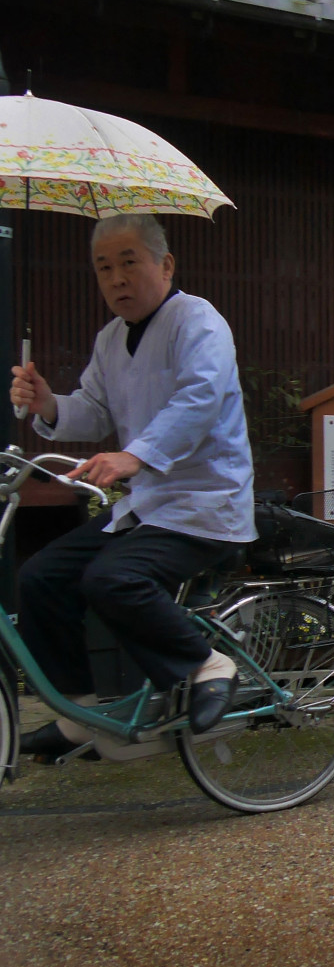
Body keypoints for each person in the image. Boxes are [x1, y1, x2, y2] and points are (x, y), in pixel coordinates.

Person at [9, 213, 255, 758]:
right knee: (41, 577)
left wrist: (134, 455)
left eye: (128, 262)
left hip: (205, 503)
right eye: (104, 268)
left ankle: (205, 663)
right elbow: (93, 411)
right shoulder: (110, 339)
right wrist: (48, 403)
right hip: (148, 506)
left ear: (165, 265)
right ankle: (84, 712)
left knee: (112, 579)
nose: (116, 278)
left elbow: (199, 400)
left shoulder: (199, 321)